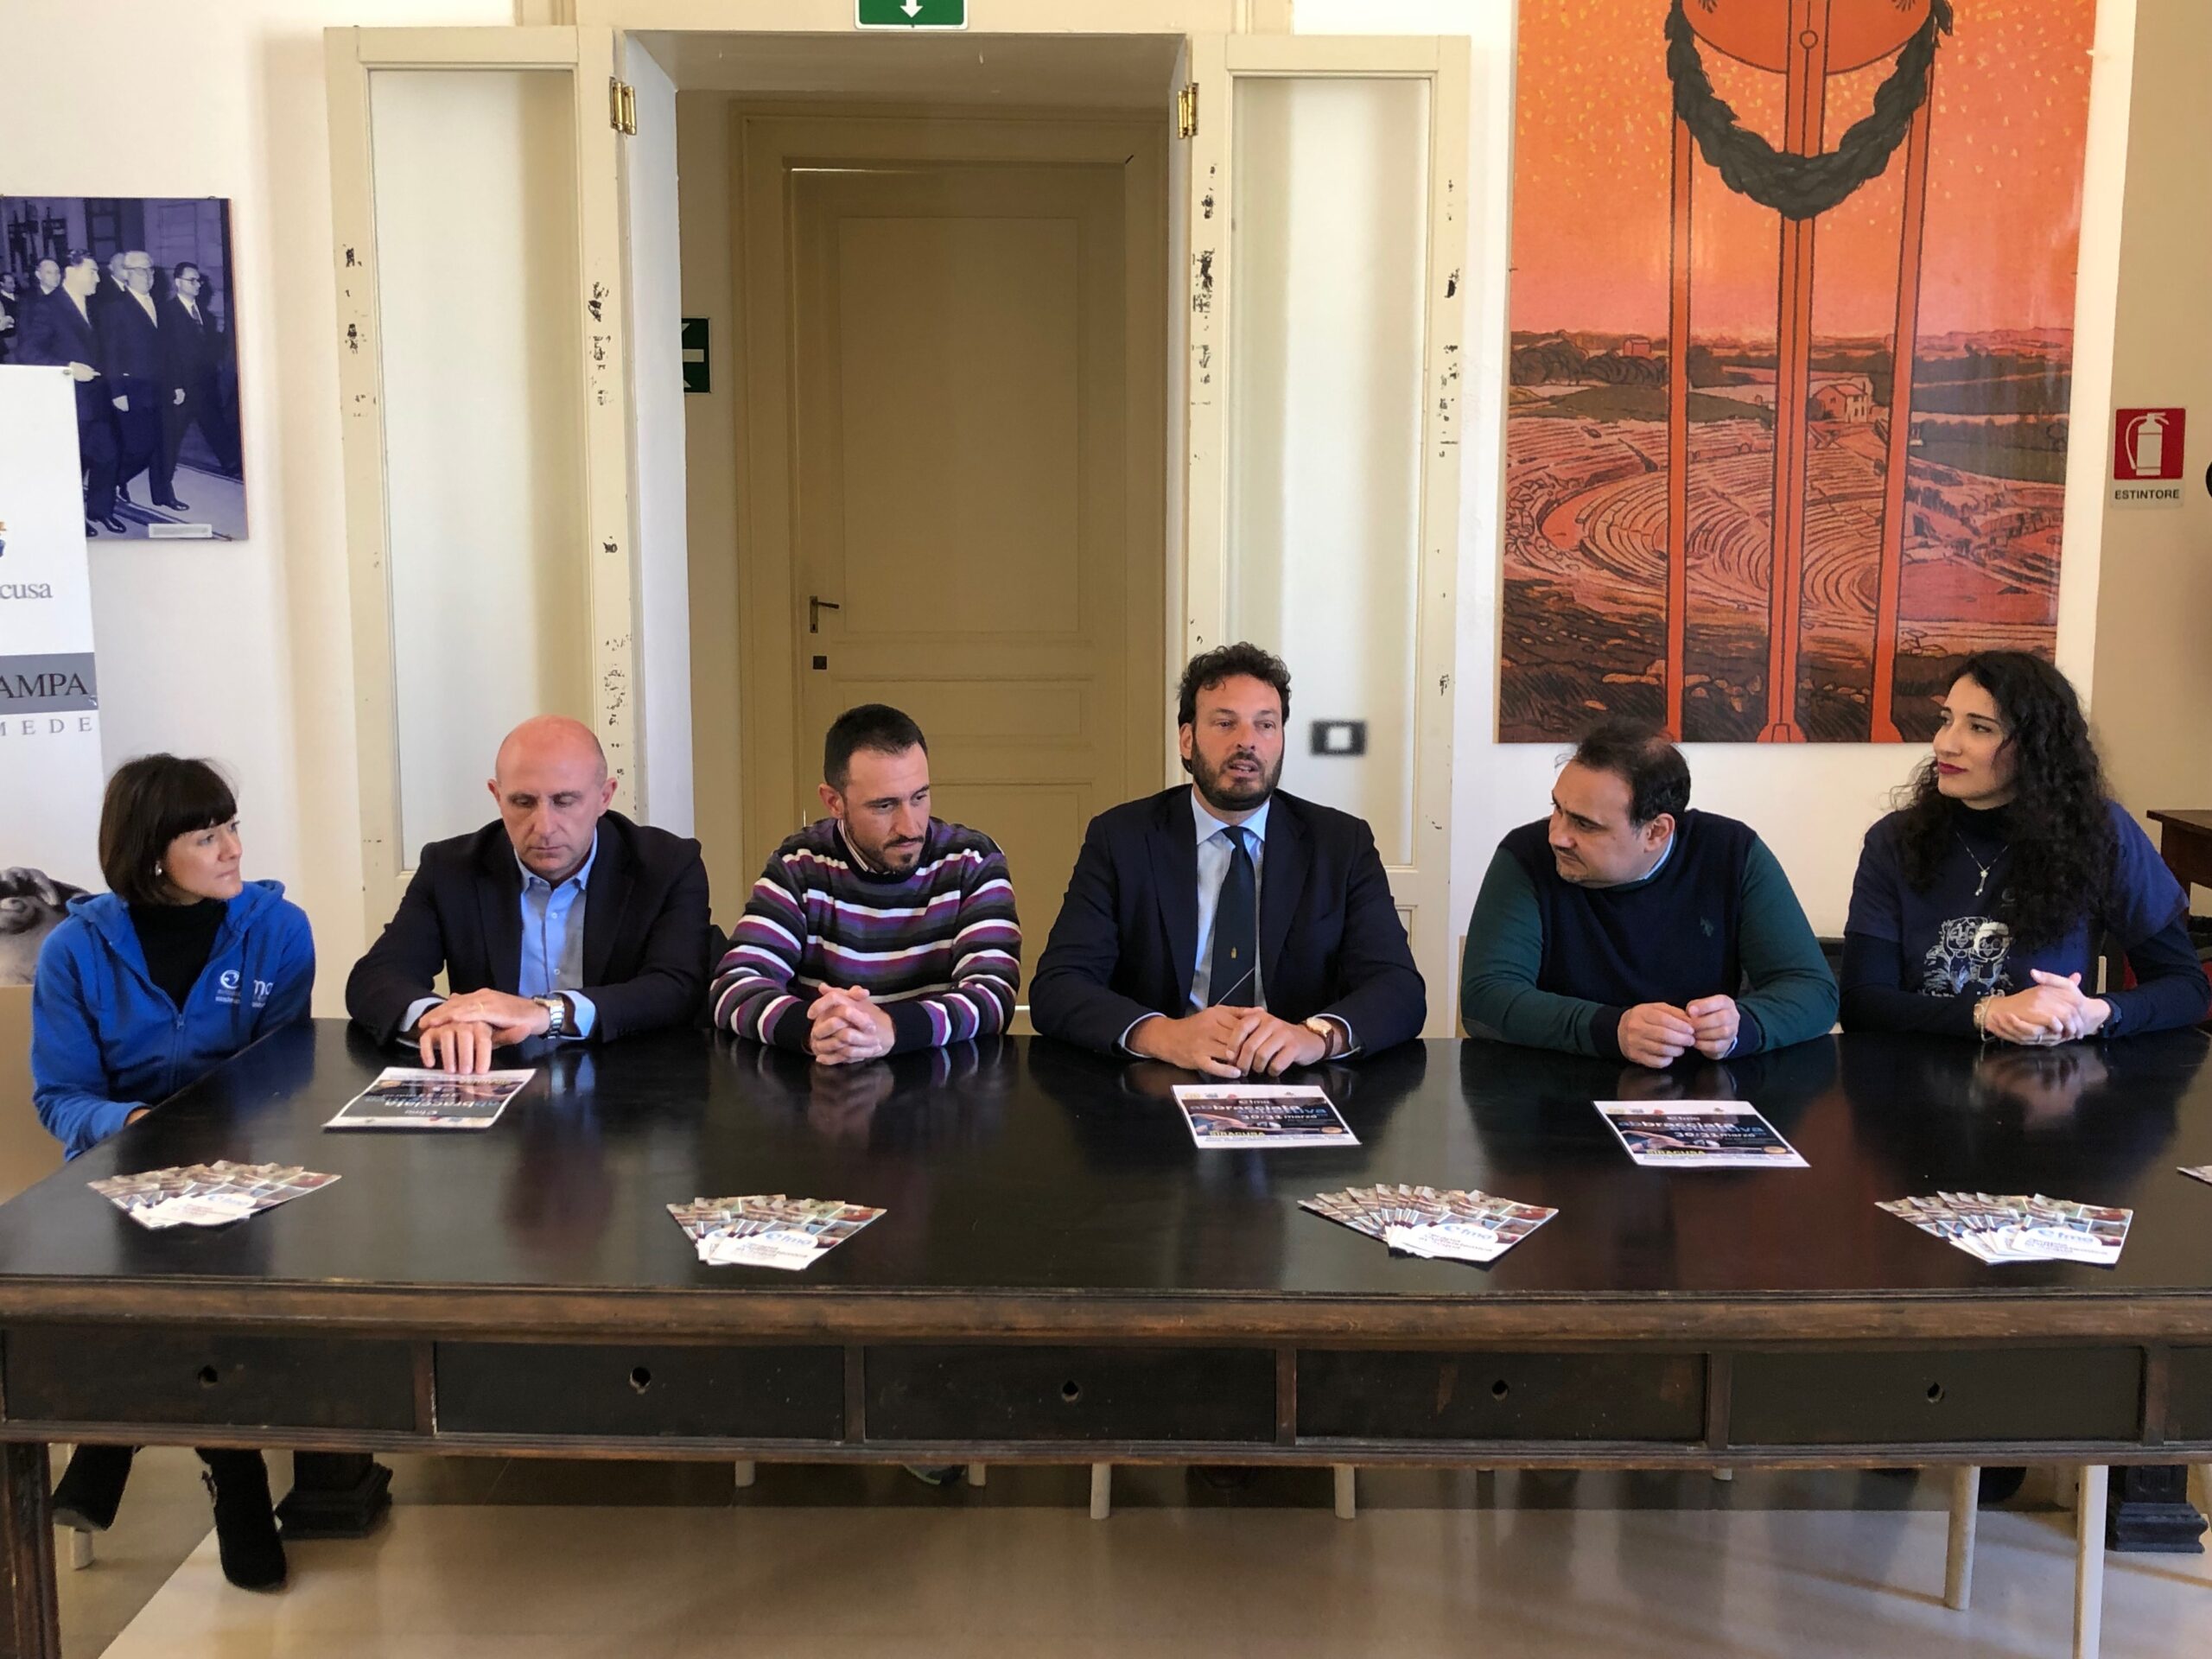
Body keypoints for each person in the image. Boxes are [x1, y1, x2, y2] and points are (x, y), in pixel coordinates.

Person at [29, 755, 314, 1591]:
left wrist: (210, 1149)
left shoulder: (277, 929)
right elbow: (61, 1097)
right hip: (116, 1172)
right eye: (206, 835)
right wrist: (136, 1127)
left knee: (205, 1257)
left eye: (232, 827)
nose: (234, 849)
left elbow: (284, 1079)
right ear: (152, 853)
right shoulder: (74, 950)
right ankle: (236, 1477)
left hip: (243, 1168)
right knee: (170, 1262)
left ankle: (112, 1441)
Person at [1031, 642, 1425, 1073]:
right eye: (1225, 723)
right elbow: (1058, 986)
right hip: (1162, 1077)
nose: (1247, 742)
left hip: (1295, 1077)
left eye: (1266, 725)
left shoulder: (1340, 844)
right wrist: (1164, 1034)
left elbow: (1399, 989)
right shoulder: (1122, 838)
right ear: (1187, 740)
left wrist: (1314, 1036)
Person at [1840, 651, 2208, 1042]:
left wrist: (2096, 1014)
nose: (1944, 744)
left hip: (2050, 1073)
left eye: (1979, 728)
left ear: (2037, 746)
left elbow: (2187, 988)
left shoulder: (2102, 832)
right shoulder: (1894, 839)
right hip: (1915, 1070)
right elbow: (1862, 1004)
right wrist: (1988, 1013)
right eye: (1946, 720)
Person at [1460, 718, 1837, 1067]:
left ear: (1656, 832)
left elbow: (1814, 991)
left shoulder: (1731, 853)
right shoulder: (1526, 855)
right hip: (1552, 1085)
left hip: (1701, 1091)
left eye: (1584, 825)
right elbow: (1486, 998)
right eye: (1557, 809)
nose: (1557, 835)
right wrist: (1613, 1029)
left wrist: (1742, 1025)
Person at [346, 715, 711, 1071]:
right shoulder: (450, 869)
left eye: (564, 801)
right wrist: (441, 1020)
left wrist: (547, 1013)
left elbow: (677, 988)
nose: (544, 827)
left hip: (628, 1083)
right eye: (523, 802)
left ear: (604, 797)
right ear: (497, 796)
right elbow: (376, 977)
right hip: (494, 1079)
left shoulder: (667, 866)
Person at [710, 704, 1020, 1062]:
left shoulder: (973, 862)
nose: (910, 826)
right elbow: (733, 986)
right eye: (884, 806)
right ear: (834, 802)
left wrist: (890, 1028)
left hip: (944, 1083)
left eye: (919, 797)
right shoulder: (800, 865)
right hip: (824, 1082)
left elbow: (994, 994)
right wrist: (816, 1028)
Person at [15, 251, 123, 535]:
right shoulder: (48, 306)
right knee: (71, 466)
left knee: (108, 455)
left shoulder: (94, 305)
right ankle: (72, 519)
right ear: (72, 273)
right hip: (66, 400)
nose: (98, 278)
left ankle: (100, 511)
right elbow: (27, 352)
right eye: (92, 272)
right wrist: (68, 368)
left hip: (96, 398)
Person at [157, 261, 236, 503]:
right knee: (173, 436)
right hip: (182, 386)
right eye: (191, 280)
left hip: (205, 384)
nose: (197, 285)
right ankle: (162, 483)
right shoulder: (167, 313)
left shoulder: (204, 314)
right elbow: (167, 353)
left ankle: (231, 464)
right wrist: (176, 385)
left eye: (198, 280)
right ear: (178, 282)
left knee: (215, 425)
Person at [96, 251, 165, 508]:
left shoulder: (158, 304)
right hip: (132, 388)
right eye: (139, 270)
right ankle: (112, 480)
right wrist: (118, 392)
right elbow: (111, 352)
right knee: (139, 447)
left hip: (157, 386)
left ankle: (160, 495)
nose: (147, 275)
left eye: (150, 269)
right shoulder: (115, 308)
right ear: (126, 274)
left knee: (158, 445)